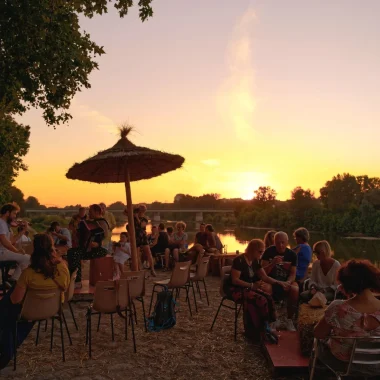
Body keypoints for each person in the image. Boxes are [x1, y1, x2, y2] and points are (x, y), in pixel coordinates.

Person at [0, 234, 70, 369]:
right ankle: (5, 351)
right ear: (52, 249)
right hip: (51, 309)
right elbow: (65, 287)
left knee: (8, 310)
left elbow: (15, 300)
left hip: (30, 312)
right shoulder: (62, 268)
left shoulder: (28, 273)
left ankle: (5, 353)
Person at [314, 260, 380, 375]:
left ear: (346, 284)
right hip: (376, 365)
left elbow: (318, 333)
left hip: (343, 364)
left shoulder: (338, 307)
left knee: (318, 346)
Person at [224, 239, 287, 342]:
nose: (262, 254)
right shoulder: (239, 260)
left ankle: (266, 326)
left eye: (262, 251)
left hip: (248, 288)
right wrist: (252, 285)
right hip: (234, 289)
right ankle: (257, 330)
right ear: (252, 250)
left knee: (268, 298)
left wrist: (279, 283)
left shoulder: (255, 261)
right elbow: (235, 280)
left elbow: (264, 277)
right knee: (260, 300)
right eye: (260, 251)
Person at [261, 231, 298, 331]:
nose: (280, 245)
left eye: (283, 242)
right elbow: (262, 272)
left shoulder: (292, 255)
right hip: (271, 280)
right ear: (274, 242)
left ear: (287, 242)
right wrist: (272, 263)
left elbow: (292, 274)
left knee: (295, 289)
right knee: (266, 288)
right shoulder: (269, 252)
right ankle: (273, 319)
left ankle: (289, 320)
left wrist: (289, 282)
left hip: (286, 281)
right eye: (277, 242)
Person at [67, 204, 109, 288]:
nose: (88, 213)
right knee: (71, 252)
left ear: (97, 212)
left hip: (101, 250)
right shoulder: (90, 222)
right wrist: (76, 234)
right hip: (89, 249)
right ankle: (73, 279)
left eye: (90, 212)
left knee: (75, 254)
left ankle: (77, 282)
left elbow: (103, 238)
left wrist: (97, 244)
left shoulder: (102, 223)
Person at [0, 204, 30, 281]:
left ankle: (11, 280)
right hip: (1, 252)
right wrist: (16, 251)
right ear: (7, 213)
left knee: (26, 257)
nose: (15, 216)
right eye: (14, 213)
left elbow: (11, 241)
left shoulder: (5, 224)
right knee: (27, 259)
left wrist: (23, 231)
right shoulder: (1, 223)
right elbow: (4, 242)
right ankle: (14, 281)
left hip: (4, 252)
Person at [128, 206, 156, 276]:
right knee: (136, 254)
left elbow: (141, 225)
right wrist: (133, 211)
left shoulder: (145, 218)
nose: (140, 212)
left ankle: (152, 268)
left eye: (142, 211)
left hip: (142, 236)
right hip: (135, 237)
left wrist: (137, 218)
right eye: (139, 211)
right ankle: (139, 269)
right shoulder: (132, 217)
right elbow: (124, 212)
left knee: (148, 252)